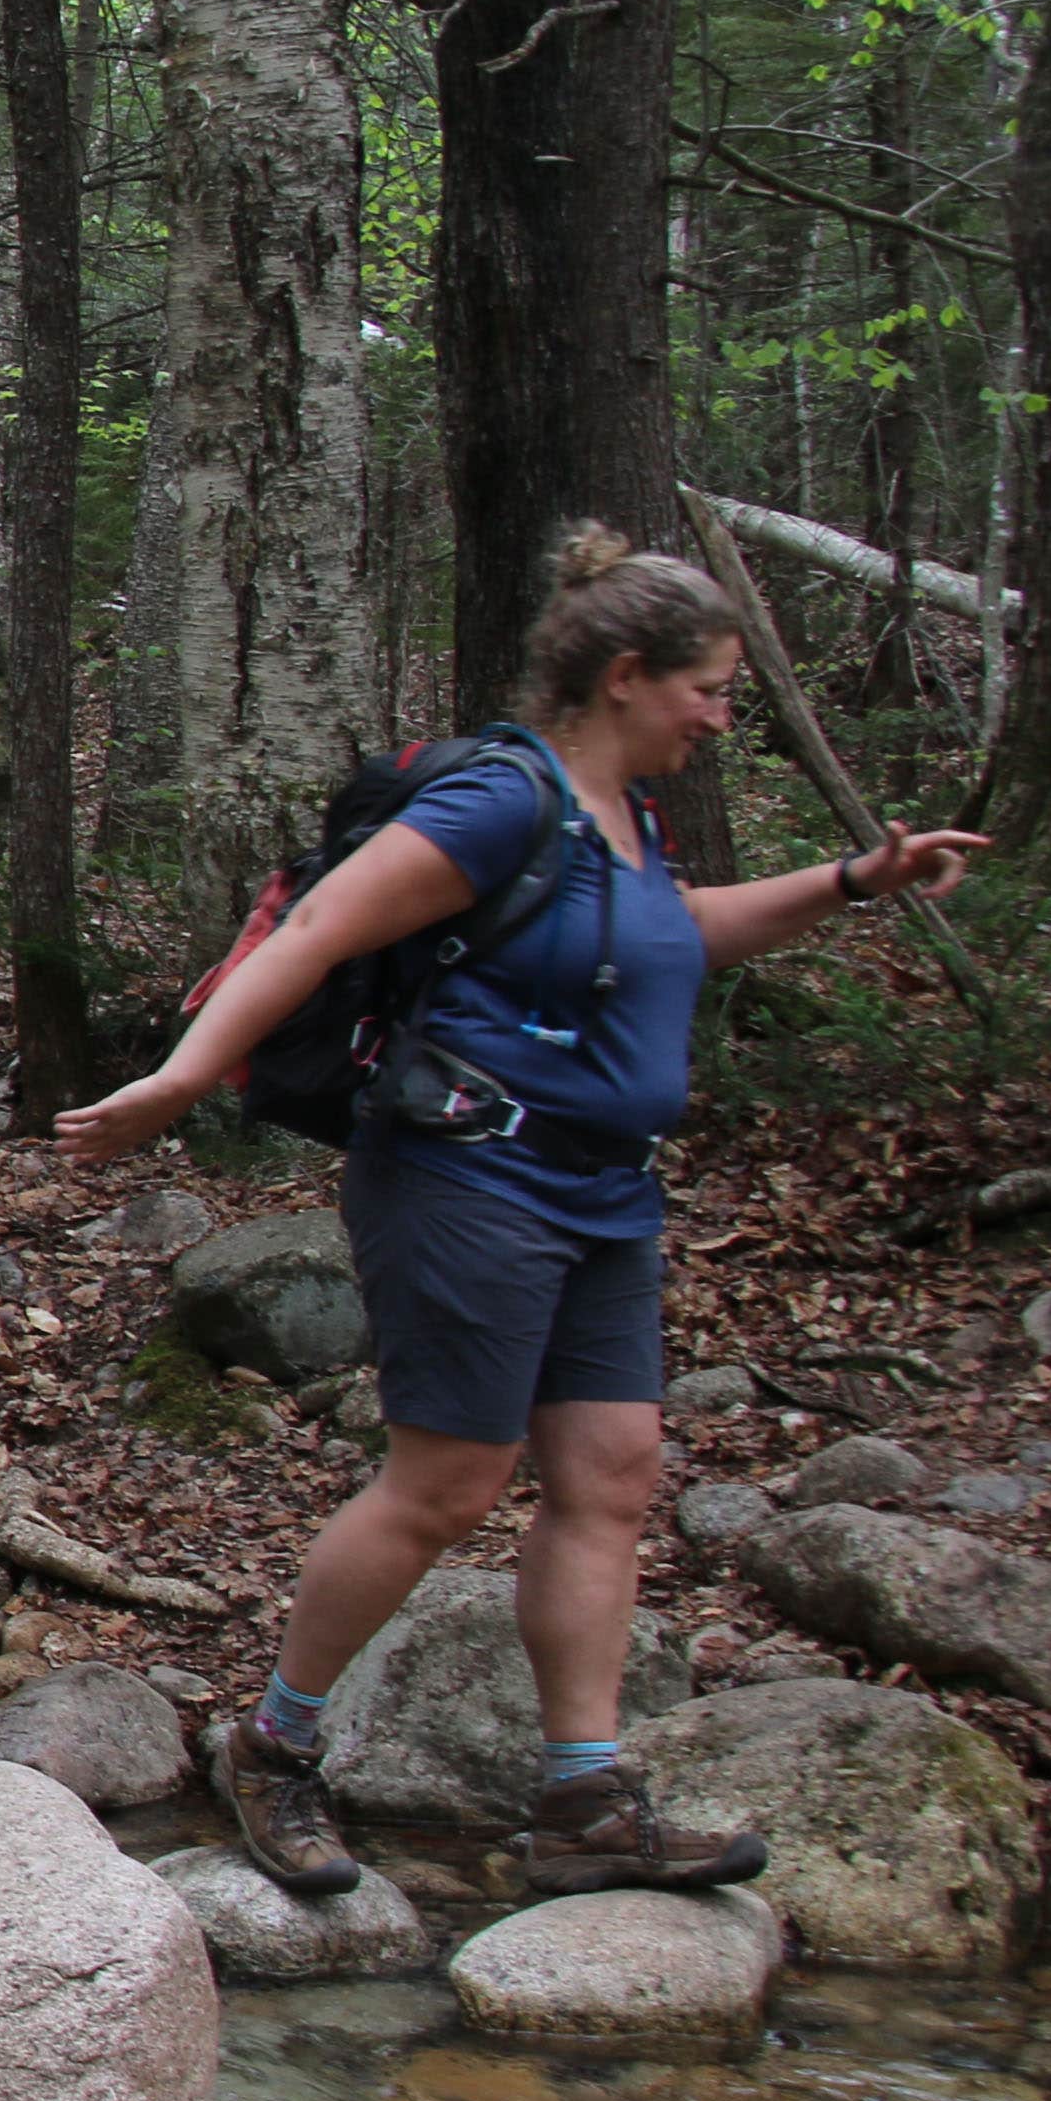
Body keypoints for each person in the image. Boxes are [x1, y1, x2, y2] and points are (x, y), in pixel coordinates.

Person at [65, 525, 985, 1892]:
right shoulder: (506, 800)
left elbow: (682, 930)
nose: (723, 718)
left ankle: (582, 1805)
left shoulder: (631, 817)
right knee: (449, 1483)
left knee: (611, 1478)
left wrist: (854, 885)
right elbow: (320, 928)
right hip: (467, 1176)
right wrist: (183, 1075)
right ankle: (277, 1747)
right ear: (626, 674)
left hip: (605, 1193)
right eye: (712, 690)